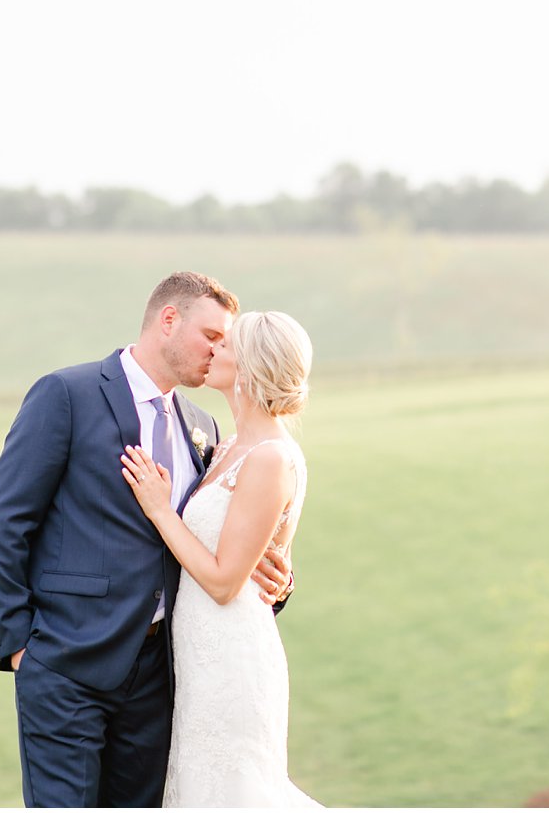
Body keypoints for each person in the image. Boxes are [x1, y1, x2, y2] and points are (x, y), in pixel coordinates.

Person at [0, 272, 295, 808]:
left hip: (162, 679)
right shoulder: (68, 394)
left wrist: (278, 578)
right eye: (212, 336)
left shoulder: (205, 430)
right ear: (169, 320)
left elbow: (224, 541)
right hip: (66, 666)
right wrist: (19, 647)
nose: (218, 352)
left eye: (227, 343)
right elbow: (2, 520)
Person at [120, 309, 319, 807]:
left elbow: (226, 582)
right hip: (198, 659)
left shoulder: (271, 457)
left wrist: (161, 510)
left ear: (250, 366)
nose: (213, 350)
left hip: (232, 659)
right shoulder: (228, 445)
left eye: (225, 345)